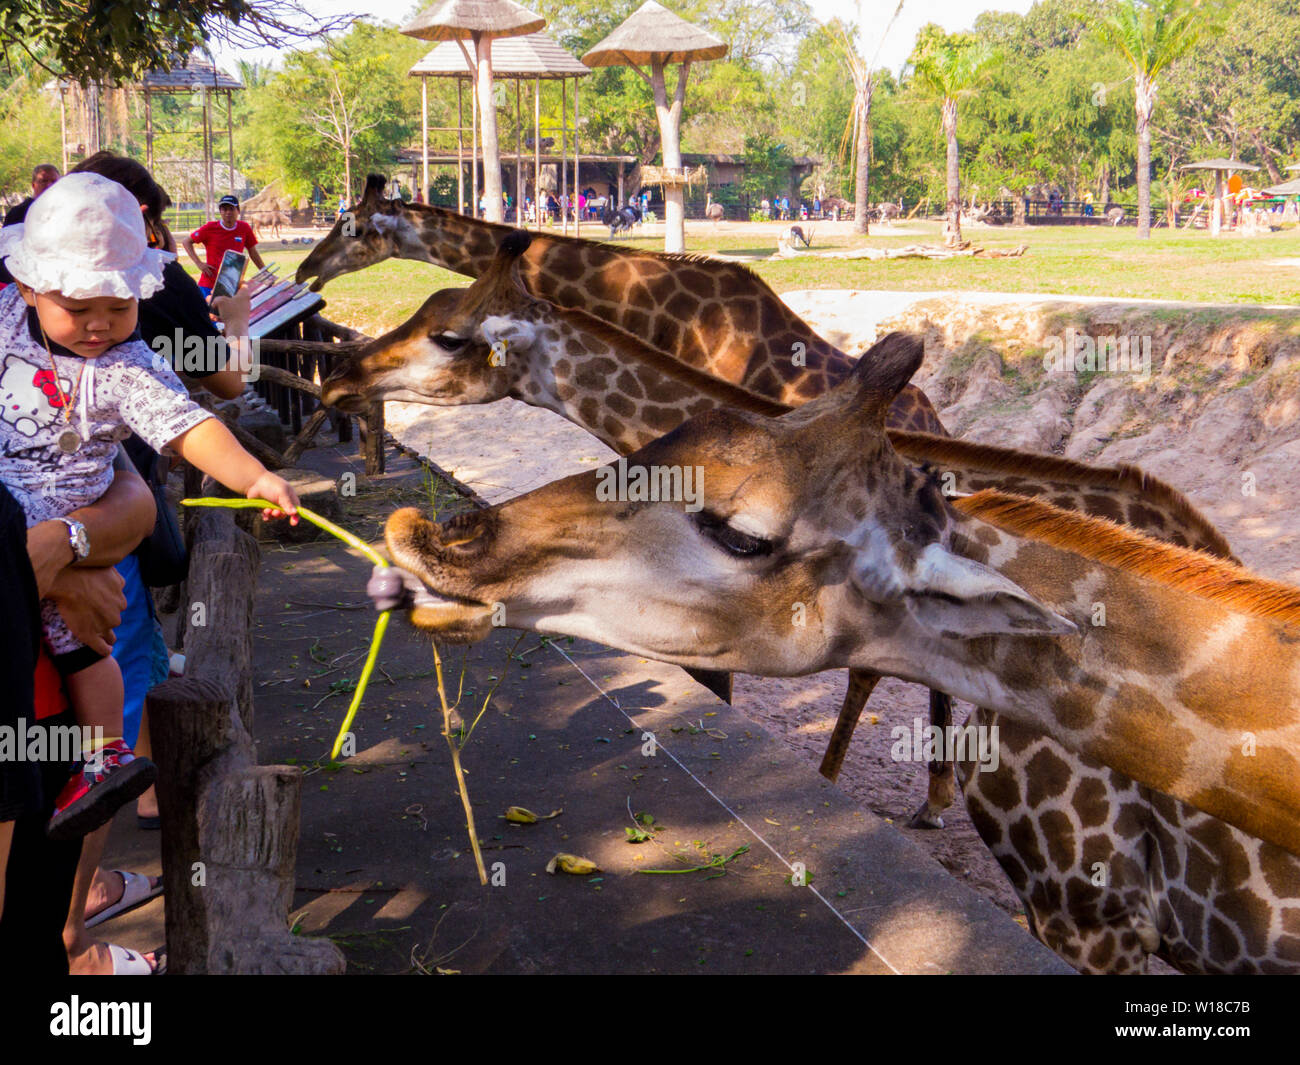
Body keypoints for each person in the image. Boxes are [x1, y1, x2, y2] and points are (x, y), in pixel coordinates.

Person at [0, 173, 300, 848]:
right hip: (11, 534)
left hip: (70, 533)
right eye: (78, 307)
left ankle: (103, 760)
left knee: (87, 646)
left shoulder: (129, 365)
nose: (100, 324)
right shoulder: (2, 323)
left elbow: (191, 426)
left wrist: (254, 477)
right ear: (27, 287)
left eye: (118, 305)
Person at [182, 194, 265, 297]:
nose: (228, 212)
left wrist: (265, 272)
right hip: (209, 285)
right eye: (224, 209)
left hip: (231, 285)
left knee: (229, 313)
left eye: (231, 209)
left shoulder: (244, 228)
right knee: (207, 313)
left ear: (238, 211)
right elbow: (186, 242)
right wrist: (198, 263)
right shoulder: (210, 228)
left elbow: (253, 252)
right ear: (220, 212)